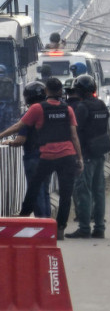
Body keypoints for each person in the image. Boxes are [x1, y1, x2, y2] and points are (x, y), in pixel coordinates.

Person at [0, 77, 84, 240]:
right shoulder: (67, 109)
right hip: (67, 155)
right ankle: (59, 230)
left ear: (46, 91)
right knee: (66, 195)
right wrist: (79, 159)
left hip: (47, 155)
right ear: (60, 91)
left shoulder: (38, 108)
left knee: (33, 189)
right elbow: (74, 136)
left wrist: (0, 135)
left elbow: (18, 127)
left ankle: (23, 220)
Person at [66, 75, 110, 239]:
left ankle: (84, 228)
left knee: (83, 192)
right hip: (99, 153)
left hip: (85, 154)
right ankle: (99, 228)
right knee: (99, 192)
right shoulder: (101, 105)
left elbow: (75, 132)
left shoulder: (81, 107)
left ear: (79, 91)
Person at [4, 82, 52, 218]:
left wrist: (9, 142)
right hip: (48, 156)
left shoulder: (31, 113)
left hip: (33, 156)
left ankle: (42, 222)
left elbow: (20, 139)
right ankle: (48, 222)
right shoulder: (48, 111)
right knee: (45, 190)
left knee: (36, 191)